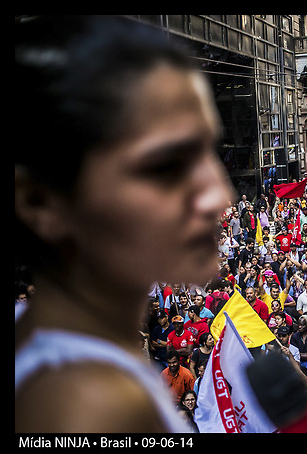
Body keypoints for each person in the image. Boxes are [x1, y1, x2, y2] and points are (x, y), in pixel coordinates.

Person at [15, 16, 235, 432]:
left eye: (208, 151)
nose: (219, 195)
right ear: (40, 200)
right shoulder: (102, 409)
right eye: (166, 165)